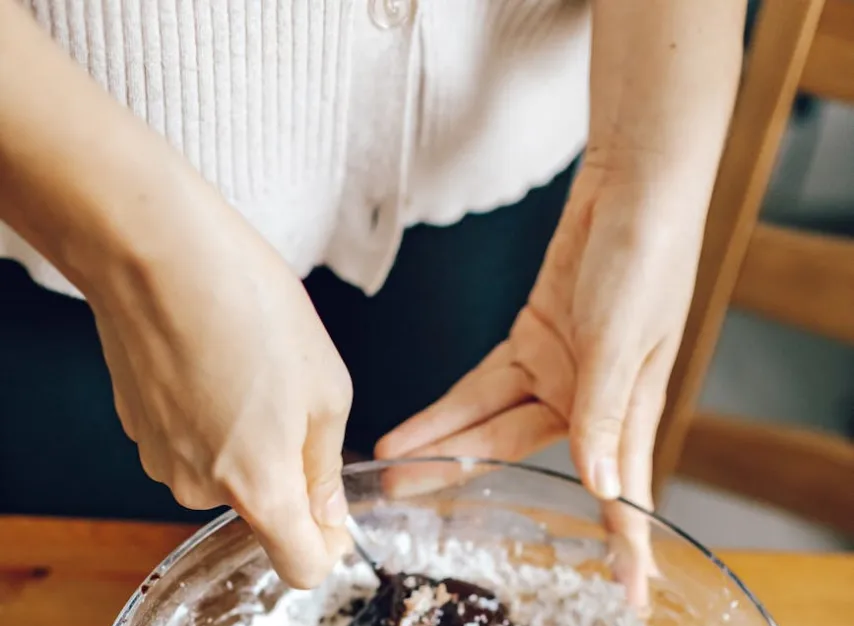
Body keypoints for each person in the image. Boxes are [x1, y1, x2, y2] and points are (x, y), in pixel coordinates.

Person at [0, 0, 746, 590]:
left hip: (487, 157)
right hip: (63, 204)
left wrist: (650, 171)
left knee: (422, 483)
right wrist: (139, 251)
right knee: (97, 564)